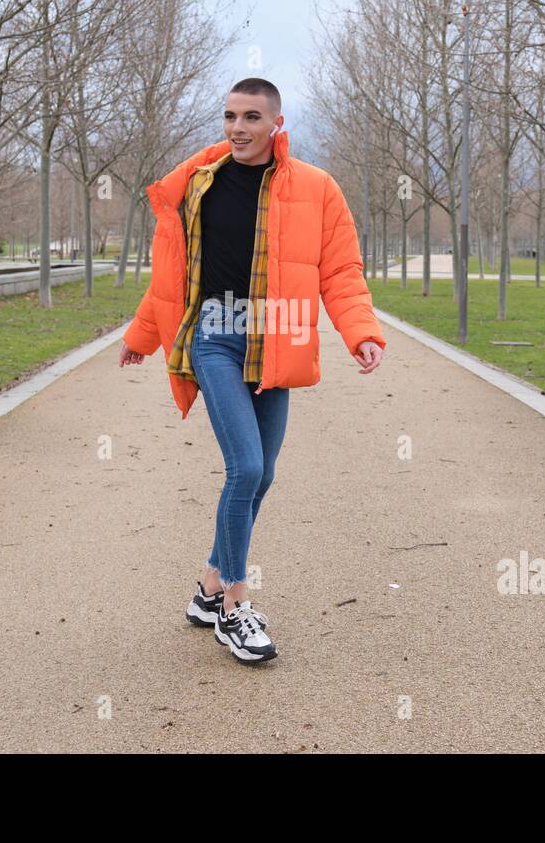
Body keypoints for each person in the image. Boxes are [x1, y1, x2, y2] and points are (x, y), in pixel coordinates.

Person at [119, 77, 385, 664]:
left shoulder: (316, 188)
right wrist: (142, 335)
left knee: (262, 474)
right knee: (244, 467)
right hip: (215, 336)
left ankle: (209, 587)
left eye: (251, 117)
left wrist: (360, 332)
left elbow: (341, 270)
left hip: (279, 339)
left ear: (276, 124)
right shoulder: (197, 185)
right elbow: (173, 277)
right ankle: (234, 610)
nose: (237, 127)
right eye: (230, 116)